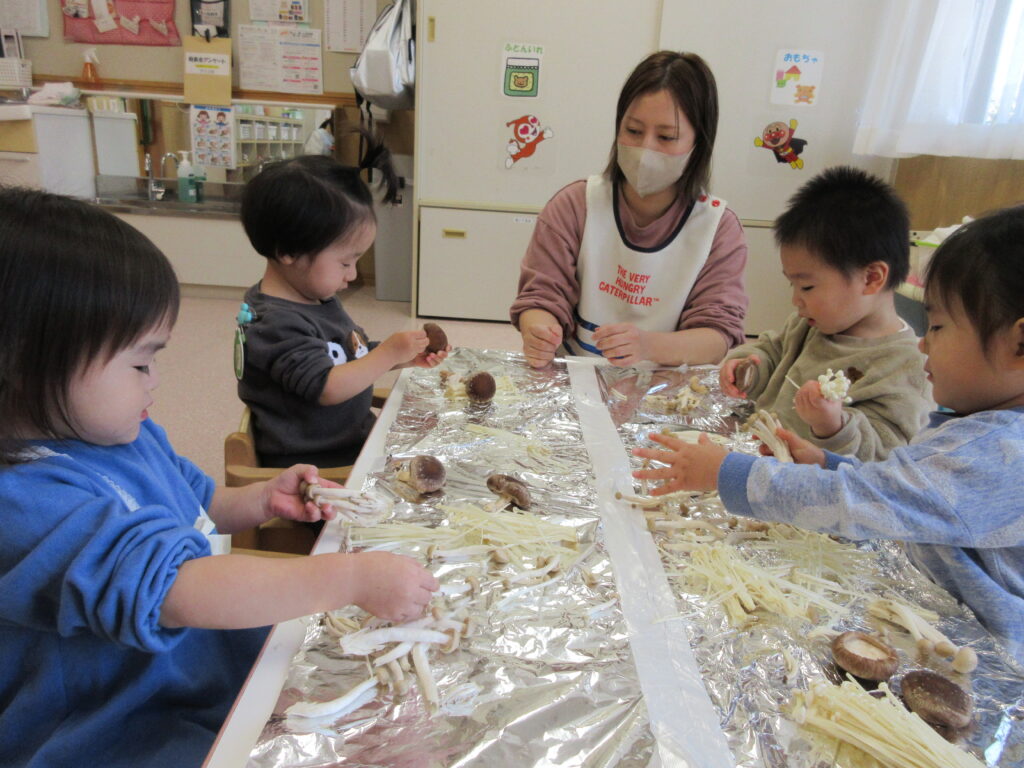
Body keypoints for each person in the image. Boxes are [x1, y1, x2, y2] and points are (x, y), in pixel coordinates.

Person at [0, 187, 440, 766]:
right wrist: (350, 578)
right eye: (139, 362)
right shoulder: (21, 502)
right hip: (120, 727)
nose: (155, 379)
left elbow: (199, 502)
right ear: (25, 362)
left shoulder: (125, 434)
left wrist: (260, 500)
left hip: (206, 672)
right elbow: (175, 590)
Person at [633, 205, 1024, 665]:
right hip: (934, 617)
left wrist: (729, 473)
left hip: (988, 660)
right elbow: (908, 491)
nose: (924, 342)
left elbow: (868, 501)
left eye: (936, 326)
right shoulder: (985, 427)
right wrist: (828, 465)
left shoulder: (1002, 453)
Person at [510, 50, 748, 369]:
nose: (645, 149)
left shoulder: (717, 229)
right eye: (633, 131)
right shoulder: (575, 205)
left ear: (699, 144)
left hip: (667, 393)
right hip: (575, 382)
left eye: (666, 137)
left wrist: (648, 345)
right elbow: (541, 296)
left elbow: (717, 336)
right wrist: (537, 329)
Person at [238, 136, 448, 469]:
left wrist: (401, 358)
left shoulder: (316, 297)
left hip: (352, 440)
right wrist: (388, 352)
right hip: (316, 468)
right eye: (345, 262)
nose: (352, 275)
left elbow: (351, 353)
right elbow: (327, 387)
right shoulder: (275, 323)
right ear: (288, 251)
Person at [719, 166, 932, 461]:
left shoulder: (906, 365)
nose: (796, 300)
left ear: (871, 278)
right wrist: (748, 368)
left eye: (806, 286)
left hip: (813, 490)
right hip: (759, 458)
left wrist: (832, 425)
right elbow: (771, 350)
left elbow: (883, 458)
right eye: (792, 284)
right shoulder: (810, 325)